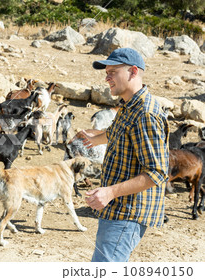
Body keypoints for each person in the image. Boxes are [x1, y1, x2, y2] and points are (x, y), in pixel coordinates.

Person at [77, 48, 169, 262]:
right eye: (106, 72)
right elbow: (119, 133)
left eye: (113, 72)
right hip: (118, 209)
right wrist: (97, 138)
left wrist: (110, 192)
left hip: (127, 212)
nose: (106, 77)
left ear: (133, 71)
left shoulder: (145, 113)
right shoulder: (129, 106)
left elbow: (157, 172)